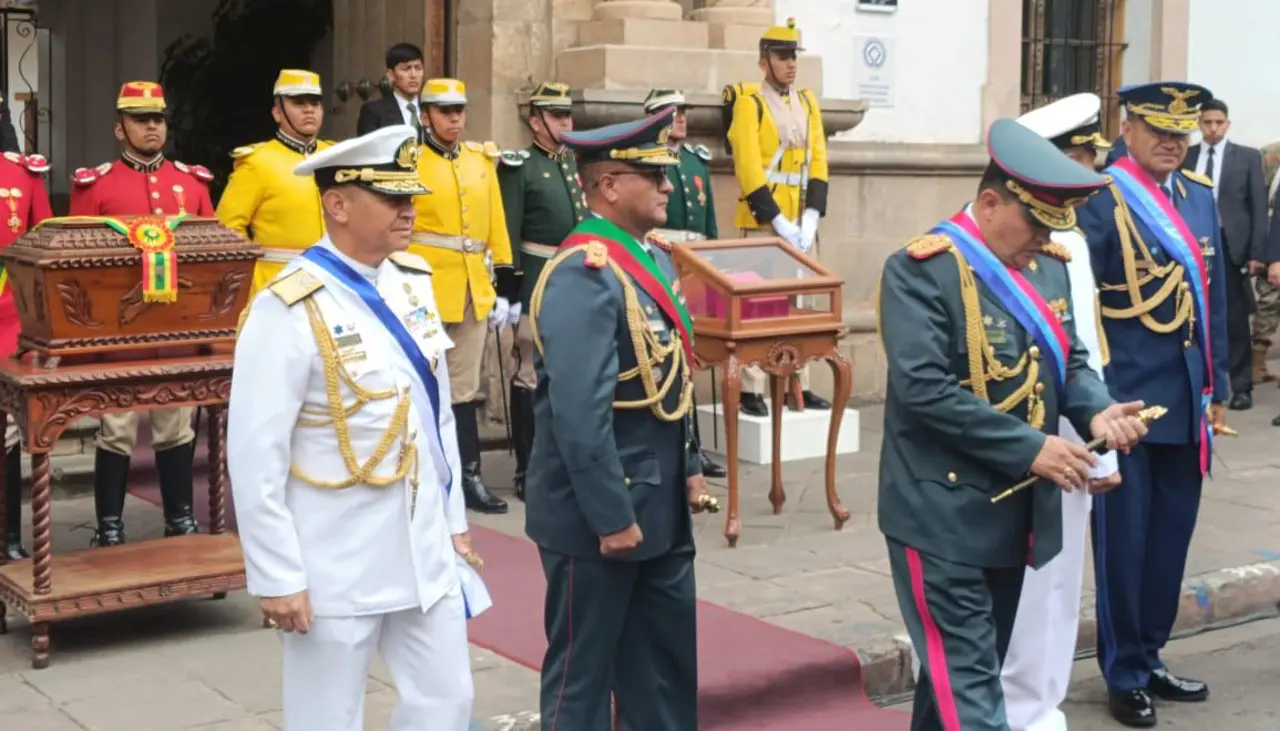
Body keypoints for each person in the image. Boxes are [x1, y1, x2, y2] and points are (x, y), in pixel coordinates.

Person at [877, 117, 1149, 731]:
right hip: (940, 515)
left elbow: (1071, 359)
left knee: (958, 681)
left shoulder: (1045, 264)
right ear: (990, 203)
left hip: (1013, 510)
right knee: (973, 692)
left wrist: (1096, 409)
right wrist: (1031, 447)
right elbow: (924, 390)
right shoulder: (921, 269)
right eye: (1035, 225)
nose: (1044, 241)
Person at [228, 124, 487, 731]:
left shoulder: (412, 281)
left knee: (448, 702)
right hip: (336, 560)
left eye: (410, 196)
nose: (409, 209)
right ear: (337, 205)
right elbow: (256, 453)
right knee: (326, 717)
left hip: (421, 547)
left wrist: (453, 523)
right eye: (391, 198)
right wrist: (277, 574)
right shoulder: (288, 305)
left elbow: (436, 416)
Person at [526, 108, 712, 730]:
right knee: (581, 682)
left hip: (658, 499)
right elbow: (580, 410)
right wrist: (611, 516)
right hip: (600, 514)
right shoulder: (585, 272)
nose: (667, 184)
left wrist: (689, 464)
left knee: (661, 671)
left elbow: (671, 373)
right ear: (607, 185)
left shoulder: (650, 258)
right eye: (652, 175)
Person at [1079, 81, 1229, 727]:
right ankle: (1123, 673)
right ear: (1128, 128)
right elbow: (1081, 309)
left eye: (1181, 132)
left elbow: (1214, 298)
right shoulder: (1100, 199)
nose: (1172, 143)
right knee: (1125, 546)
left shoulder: (1198, 196)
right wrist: (1093, 403)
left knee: (1169, 542)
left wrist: (1220, 387)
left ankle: (1151, 654)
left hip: (1186, 398)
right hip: (1126, 403)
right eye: (1159, 130)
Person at [1001, 93, 1121, 731]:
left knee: (1062, 574)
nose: (1087, 174)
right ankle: (1019, 702)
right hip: (1033, 429)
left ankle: (1042, 700)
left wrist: (1102, 442)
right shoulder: (1034, 240)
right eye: (1078, 159)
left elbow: (1082, 351)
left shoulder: (1066, 237)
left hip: (1075, 421)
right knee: (1032, 575)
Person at [69, 81, 215, 547]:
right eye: (140, 119)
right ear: (120, 129)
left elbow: (209, 253)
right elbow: (78, 262)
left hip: (176, 326)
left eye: (158, 119)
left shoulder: (191, 183)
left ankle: (180, 519)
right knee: (117, 426)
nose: (152, 127)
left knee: (176, 422)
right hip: (120, 328)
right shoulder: (96, 186)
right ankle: (110, 527)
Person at [409, 78, 518, 514]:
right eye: (444, 111)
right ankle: (420, 475)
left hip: (474, 287)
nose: (454, 118)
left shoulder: (479, 161)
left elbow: (497, 223)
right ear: (425, 116)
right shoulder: (409, 161)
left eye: (460, 110)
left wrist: (506, 280)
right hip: (424, 288)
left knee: (464, 389)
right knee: (421, 382)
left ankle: (468, 475)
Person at [726, 18, 831, 417]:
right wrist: (777, 220)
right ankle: (752, 387)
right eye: (782, 57)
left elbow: (818, 158)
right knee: (759, 305)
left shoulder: (807, 103)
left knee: (801, 306)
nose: (790, 64)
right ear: (764, 62)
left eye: (793, 57)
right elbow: (749, 167)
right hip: (763, 221)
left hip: (800, 220)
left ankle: (797, 383)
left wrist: (811, 213)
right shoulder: (750, 104)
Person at [496, 81, 586, 501]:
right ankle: (527, 468)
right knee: (529, 373)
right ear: (536, 122)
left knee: (571, 374)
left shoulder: (574, 163)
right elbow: (509, 230)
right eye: (556, 116)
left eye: (568, 116)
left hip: (575, 280)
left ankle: (563, 461)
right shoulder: (521, 167)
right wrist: (511, 290)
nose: (565, 123)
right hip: (536, 282)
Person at [641, 87, 727, 480]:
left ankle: (693, 447)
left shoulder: (695, 161)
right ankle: (675, 440)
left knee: (692, 356)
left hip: (695, 267)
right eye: (672, 112)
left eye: (683, 111)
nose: (680, 117)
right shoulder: (649, 160)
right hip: (664, 262)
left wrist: (714, 267)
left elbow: (709, 224)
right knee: (667, 355)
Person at [1183, 98, 1267, 411]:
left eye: (1219, 122)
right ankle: (1198, 383)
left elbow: (1258, 206)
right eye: (1207, 122)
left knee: (1234, 320)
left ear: (1227, 124)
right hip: (1193, 244)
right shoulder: (1187, 156)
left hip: (1231, 248)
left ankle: (1241, 386)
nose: (1213, 128)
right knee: (1193, 314)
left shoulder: (1247, 157)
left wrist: (1256, 252)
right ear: (1199, 124)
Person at [216, 69, 333, 295]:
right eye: (299, 103)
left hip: (333, 279)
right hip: (277, 281)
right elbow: (227, 228)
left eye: (315, 103)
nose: (309, 110)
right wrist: (250, 273)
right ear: (277, 113)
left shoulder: (335, 155)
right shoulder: (258, 161)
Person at [0, 149, 51, 560]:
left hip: (9, 325)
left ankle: (8, 538)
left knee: (7, 434)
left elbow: (46, 252)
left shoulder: (22, 174)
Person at [356, 43, 426, 138]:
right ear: (391, 75)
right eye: (406, 69)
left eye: (418, 68)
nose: (413, 75)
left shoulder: (430, 109)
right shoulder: (374, 111)